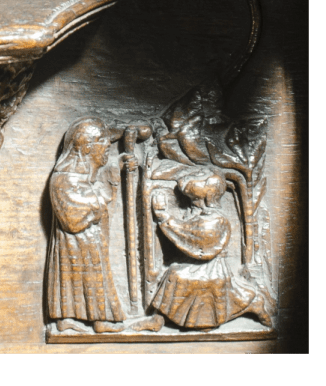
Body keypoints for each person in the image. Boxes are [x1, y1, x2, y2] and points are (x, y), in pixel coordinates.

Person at [141, 167, 273, 330]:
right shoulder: (200, 214)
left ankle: (252, 305)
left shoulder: (215, 220)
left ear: (207, 198)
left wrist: (164, 218)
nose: (192, 204)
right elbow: (188, 230)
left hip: (211, 267)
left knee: (180, 276)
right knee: (176, 273)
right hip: (198, 265)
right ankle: (158, 319)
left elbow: (192, 236)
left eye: (195, 200)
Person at [46, 117, 126, 333]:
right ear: (87, 147)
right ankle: (81, 318)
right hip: (77, 242)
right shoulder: (64, 178)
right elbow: (72, 219)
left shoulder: (81, 177)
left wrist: (114, 170)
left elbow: (95, 193)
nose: (107, 148)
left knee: (89, 276)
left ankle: (89, 318)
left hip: (88, 241)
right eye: (103, 143)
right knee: (84, 276)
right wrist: (100, 198)